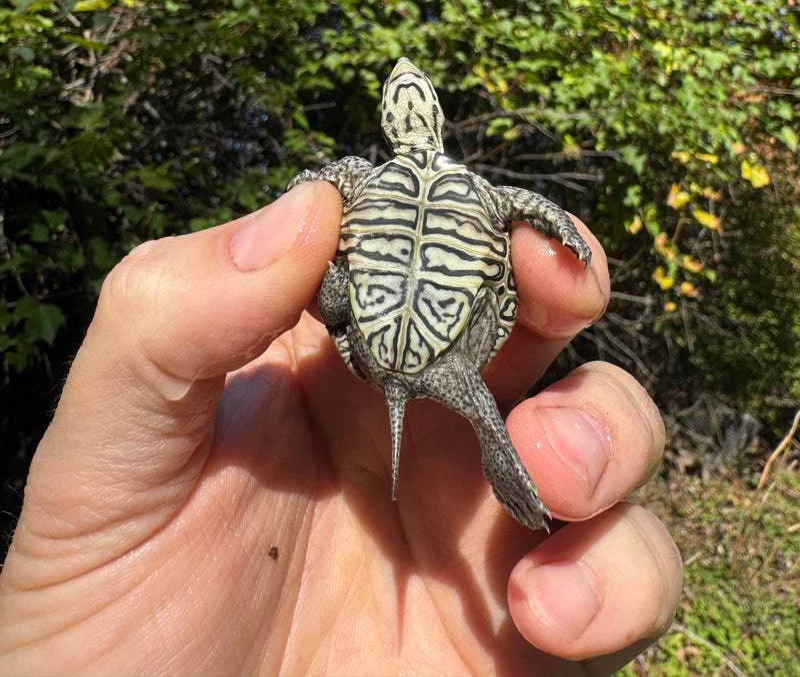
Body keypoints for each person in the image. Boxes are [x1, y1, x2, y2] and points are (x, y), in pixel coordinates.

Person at [0, 182, 682, 675]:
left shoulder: (362, 178)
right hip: (451, 355)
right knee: (477, 405)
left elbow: (322, 191)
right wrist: (557, 228)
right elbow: (525, 207)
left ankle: (501, 458)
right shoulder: (485, 195)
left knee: (478, 406)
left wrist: (314, 206)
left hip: (369, 337)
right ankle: (502, 460)